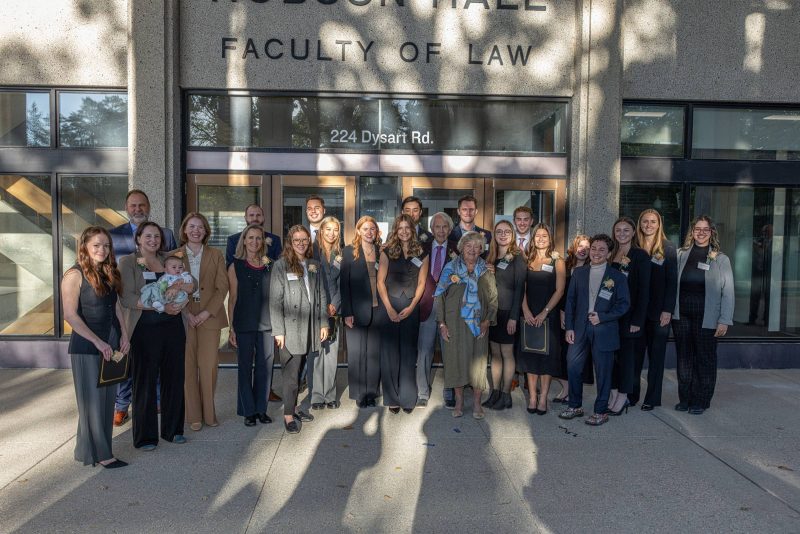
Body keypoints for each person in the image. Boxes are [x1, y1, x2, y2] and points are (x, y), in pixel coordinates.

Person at [119, 222, 194, 450]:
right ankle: (145, 437)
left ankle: (173, 430)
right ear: (138, 238)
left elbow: (193, 283)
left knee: (174, 379)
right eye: (148, 236)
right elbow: (128, 298)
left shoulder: (170, 258)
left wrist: (181, 285)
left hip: (173, 329)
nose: (153, 240)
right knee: (145, 383)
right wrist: (161, 306)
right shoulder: (129, 262)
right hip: (145, 330)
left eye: (157, 236)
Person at [62, 226, 130, 468]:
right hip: (87, 347)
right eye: (97, 245)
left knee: (106, 400)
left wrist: (124, 334)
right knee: (91, 403)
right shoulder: (74, 275)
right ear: (85, 248)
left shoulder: (108, 272)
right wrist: (98, 342)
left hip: (111, 345)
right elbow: (70, 315)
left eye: (106, 245)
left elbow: (117, 307)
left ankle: (85, 451)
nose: (102, 250)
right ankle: (102, 455)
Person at [109, 189, 177, 427]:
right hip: (126, 305)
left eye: (141, 205)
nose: (137, 209)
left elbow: (172, 266)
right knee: (128, 358)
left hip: (157, 309)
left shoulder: (165, 234)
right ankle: (121, 405)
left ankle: (156, 400)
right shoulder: (114, 235)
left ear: (149, 206)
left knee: (154, 358)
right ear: (126, 208)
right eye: (133, 206)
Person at [560, 234, 630, 427]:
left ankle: (600, 411)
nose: (596, 253)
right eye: (593, 249)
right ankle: (575, 406)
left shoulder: (617, 276)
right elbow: (571, 301)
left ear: (608, 254)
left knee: (603, 372)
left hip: (604, 329)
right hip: (580, 329)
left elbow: (624, 305)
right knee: (573, 366)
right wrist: (570, 327)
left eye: (601, 250)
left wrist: (603, 317)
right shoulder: (579, 273)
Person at [270, 225, 329, 434]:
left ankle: (294, 408)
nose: (301, 243)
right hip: (290, 328)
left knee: (301, 370)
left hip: (310, 325)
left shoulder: (314, 265)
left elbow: (321, 295)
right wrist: (278, 331)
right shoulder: (280, 265)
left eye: (304, 240)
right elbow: (275, 301)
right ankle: (288, 416)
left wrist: (323, 323)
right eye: (297, 240)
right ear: (290, 242)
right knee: (291, 375)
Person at [672, 216, 734, 415]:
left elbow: (728, 292)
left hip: (707, 317)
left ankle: (701, 399)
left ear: (711, 232)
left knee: (705, 359)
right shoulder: (680, 255)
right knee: (684, 358)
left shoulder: (720, 258)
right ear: (691, 232)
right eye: (697, 229)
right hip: (681, 315)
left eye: (705, 229)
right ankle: (685, 398)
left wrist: (724, 320)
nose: (700, 232)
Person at [434, 231, 498, 419]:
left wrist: (487, 321)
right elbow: (440, 297)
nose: (472, 249)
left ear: (481, 250)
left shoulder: (486, 271)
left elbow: (493, 298)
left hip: (478, 324)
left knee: (478, 364)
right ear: (461, 248)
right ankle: (459, 401)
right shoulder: (450, 268)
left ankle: (477, 403)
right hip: (454, 323)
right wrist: (442, 324)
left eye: (476, 246)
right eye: (468, 245)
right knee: (455, 363)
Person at [175, 213, 229, 431]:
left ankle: (209, 413)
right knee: (187, 367)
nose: (196, 230)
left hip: (210, 316)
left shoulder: (216, 254)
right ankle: (194, 415)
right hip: (183, 316)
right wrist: (187, 312)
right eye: (192, 226)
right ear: (185, 230)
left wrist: (206, 313)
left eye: (200, 227)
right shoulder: (174, 255)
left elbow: (222, 287)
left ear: (206, 231)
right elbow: (171, 288)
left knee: (209, 367)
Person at [377, 214, 429, 414]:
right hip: (389, 305)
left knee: (408, 353)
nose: (404, 231)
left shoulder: (423, 252)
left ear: (413, 230)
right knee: (390, 353)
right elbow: (380, 281)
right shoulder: (387, 251)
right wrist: (389, 308)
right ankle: (392, 398)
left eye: (408, 228)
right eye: (400, 228)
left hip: (410, 306)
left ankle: (408, 397)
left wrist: (413, 305)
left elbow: (422, 283)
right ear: (395, 230)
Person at [228, 224, 275, 427]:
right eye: (251, 238)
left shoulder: (269, 264)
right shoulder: (235, 265)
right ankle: (248, 411)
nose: (254, 242)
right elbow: (233, 298)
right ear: (244, 241)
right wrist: (231, 328)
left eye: (258, 238)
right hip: (244, 323)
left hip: (267, 324)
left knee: (265, 369)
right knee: (245, 368)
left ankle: (260, 409)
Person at [517, 223, 565, 415]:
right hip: (528, 314)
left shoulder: (557, 260)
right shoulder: (526, 259)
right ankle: (533, 397)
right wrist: (526, 310)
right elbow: (522, 288)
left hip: (548, 314)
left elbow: (560, 290)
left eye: (544, 236)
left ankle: (543, 397)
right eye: (538, 236)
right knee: (530, 356)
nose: (541, 239)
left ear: (550, 238)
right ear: (533, 237)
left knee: (546, 358)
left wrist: (545, 312)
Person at [632, 209, 677, 410]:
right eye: (645, 222)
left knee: (656, 358)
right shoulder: (634, 248)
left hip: (659, 314)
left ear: (659, 225)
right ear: (639, 224)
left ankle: (652, 398)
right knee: (634, 357)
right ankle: (632, 396)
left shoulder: (667, 248)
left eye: (653, 222)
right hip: (636, 313)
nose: (649, 225)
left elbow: (672, 282)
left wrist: (667, 310)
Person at [607, 217, 651, 416]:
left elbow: (644, 291)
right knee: (613, 358)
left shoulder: (640, 255)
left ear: (634, 232)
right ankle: (614, 392)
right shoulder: (611, 253)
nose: (622, 234)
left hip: (630, 317)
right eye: (618, 230)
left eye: (626, 230)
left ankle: (624, 396)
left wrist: (637, 321)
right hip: (611, 316)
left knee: (627, 359)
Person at [416, 212, 458, 408]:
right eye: (437, 227)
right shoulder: (421, 247)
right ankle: (422, 391)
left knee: (449, 351)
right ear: (431, 229)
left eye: (444, 227)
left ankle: (449, 391)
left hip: (448, 309)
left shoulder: (457, 249)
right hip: (426, 306)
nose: (441, 231)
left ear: (449, 229)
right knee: (424, 350)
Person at [483, 220, 525, 410]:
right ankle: (496, 392)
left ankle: (506, 394)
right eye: (499, 231)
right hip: (493, 312)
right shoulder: (489, 257)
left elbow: (519, 290)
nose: (503, 234)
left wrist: (514, 317)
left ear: (512, 234)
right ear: (494, 234)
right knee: (495, 354)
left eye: (507, 231)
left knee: (507, 354)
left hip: (508, 312)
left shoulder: (517, 257)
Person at [340, 216, 382, 408]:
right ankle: (358, 393)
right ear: (358, 231)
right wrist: (347, 312)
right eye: (365, 229)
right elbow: (344, 284)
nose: (369, 232)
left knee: (373, 354)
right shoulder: (349, 252)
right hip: (355, 312)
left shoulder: (382, 252)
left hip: (378, 310)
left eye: (372, 229)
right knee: (357, 354)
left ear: (377, 231)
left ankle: (371, 393)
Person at [311, 216, 343, 410]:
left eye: (335, 230)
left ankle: (330, 395)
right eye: (328, 229)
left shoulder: (341, 253)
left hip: (334, 309)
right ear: (321, 231)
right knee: (317, 353)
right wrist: (323, 305)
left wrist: (335, 304)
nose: (332, 233)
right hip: (316, 309)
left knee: (331, 354)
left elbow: (342, 282)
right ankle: (316, 396)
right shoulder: (312, 251)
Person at [554, 234, 590, 404]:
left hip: (582, 318)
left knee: (576, 356)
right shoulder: (565, 266)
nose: (583, 250)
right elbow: (560, 291)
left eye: (587, 247)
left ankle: (573, 391)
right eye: (580, 246)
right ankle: (566, 388)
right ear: (574, 248)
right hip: (563, 316)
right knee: (561, 353)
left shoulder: (592, 268)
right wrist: (562, 312)